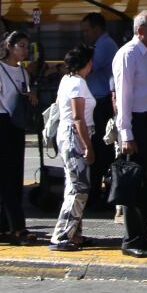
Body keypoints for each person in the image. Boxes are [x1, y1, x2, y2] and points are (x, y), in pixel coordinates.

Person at [113, 10, 147, 257]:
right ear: (140, 30)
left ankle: (143, 235)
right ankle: (132, 238)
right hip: (137, 123)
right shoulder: (129, 54)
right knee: (136, 182)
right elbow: (123, 96)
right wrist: (126, 133)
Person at [0, 30, 38, 244]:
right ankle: (19, 228)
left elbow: (22, 96)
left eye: (26, 46)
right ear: (10, 46)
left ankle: (5, 229)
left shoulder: (23, 72)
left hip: (16, 124)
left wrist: (31, 96)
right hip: (2, 122)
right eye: (21, 45)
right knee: (6, 178)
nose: (25, 50)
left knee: (15, 178)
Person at [48, 45, 96, 251]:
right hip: (75, 136)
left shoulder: (66, 80)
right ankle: (62, 234)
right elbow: (78, 118)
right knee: (79, 187)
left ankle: (74, 232)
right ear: (87, 63)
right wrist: (88, 146)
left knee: (72, 184)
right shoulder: (78, 83)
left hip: (65, 136)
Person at [81, 13, 118, 210]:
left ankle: (97, 194)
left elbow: (88, 67)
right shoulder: (101, 45)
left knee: (100, 150)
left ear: (97, 29)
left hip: (102, 103)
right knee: (99, 150)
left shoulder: (104, 45)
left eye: (87, 30)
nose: (84, 35)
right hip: (98, 101)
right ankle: (98, 192)